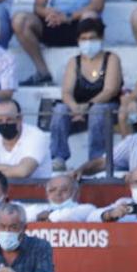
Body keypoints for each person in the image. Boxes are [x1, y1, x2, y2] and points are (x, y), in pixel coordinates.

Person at [48, 17, 121, 171]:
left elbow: (110, 90)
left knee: (98, 110)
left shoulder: (111, 59)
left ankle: (96, 160)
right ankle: (58, 157)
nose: (87, 42)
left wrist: (87, 107)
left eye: (92, 38)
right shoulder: (74, 62)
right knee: (60, 110)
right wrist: (75, 107)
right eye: (84, 39)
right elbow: (66, 91)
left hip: (106, 107)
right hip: (79, 109)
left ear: (101, 38)